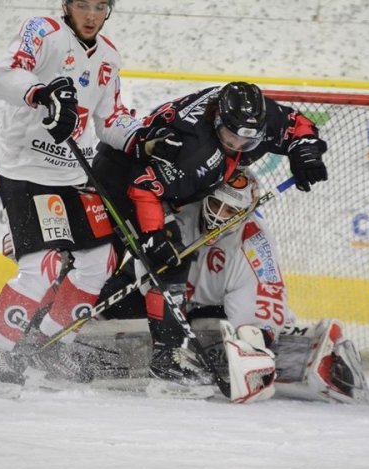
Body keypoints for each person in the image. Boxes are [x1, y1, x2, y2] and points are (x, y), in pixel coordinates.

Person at [0, 0, 181, 389]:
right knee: (43, 266)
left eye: (100, 6)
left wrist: (143, 139)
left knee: (101, 259)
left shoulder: (108, 56)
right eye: (82, 4)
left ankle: (51, 342)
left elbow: (109, 119)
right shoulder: (44, 31)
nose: (91, 15)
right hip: (26, 171)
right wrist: (42, 93)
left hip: (72, 176)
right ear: (66, 5)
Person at [35, 169, 369, 404]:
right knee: (100, 299)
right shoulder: (180, 210)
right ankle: (42, 332)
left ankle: (320, 353)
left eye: (231, 211)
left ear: (246, 212)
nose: (219, 216)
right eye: (215, 204)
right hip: (159, 295)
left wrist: (255, 346)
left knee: (246, 335)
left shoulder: (254, 245)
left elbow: (261, 306)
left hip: (209, 308)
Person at [89, 81, 330, 392]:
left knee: (164, 257)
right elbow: (143, 187)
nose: (239, 144)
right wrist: (153, 235)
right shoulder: (195, 154)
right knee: (162, 259)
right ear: (217, 121)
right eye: (231, 137)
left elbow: (295, 123)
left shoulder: (251, 117)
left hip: (158, 179)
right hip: (122, 177)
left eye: (247, 138)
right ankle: (167, 356)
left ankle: (158, 335)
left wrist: (305, 149)